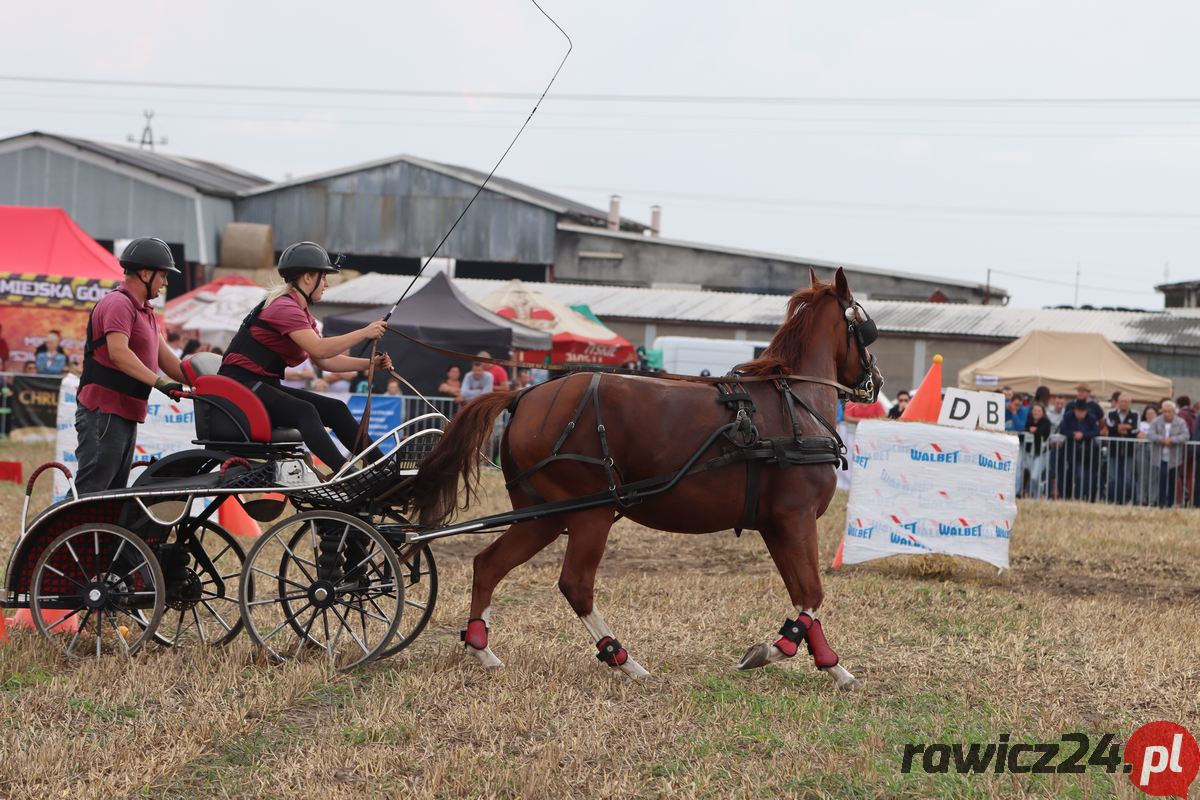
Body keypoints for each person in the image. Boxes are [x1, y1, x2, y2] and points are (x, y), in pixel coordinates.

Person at [219, 241, 390, 473]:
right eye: (324, 276)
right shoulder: (285, 308)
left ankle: (385, 469)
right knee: (305, 411)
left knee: (336, 408)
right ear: (308, 277)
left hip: (259, 385)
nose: (327, 283)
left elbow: (325, 361)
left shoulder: (300, 312)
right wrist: (364, 332)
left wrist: (371, 364)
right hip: (240, 387)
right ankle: (345, 473)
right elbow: (320, 349)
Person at [74, 237, 187, 493]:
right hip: (104, 412)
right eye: (163, 276)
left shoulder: (145, 312)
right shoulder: (118, 304)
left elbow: (171, 363)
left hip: (123, 413)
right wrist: (160, 383)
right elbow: (119, 353)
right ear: (146, 273)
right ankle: (53, 535)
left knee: (110, 495)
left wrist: (209, 381)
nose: (166, 282)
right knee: (90, 491)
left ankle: (98, 535)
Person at [1148, 400, 1189, 507]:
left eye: (1169, 411)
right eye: (1164, 411)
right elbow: (1150, 434)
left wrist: (1172, 440)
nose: (1166, 414)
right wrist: (1162, 440)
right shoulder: (1156, 421)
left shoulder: (1180, 422)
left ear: (1173, 411)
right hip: (1159, 457)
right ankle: (1161, 503)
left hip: (1174, 458)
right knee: (1161, 479)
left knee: (1172, 482)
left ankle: (1170, 504)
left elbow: (1185, 435)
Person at [1058, 399, 1099, 501]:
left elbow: (1095, 431)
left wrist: (1083, 435)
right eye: (1078, 410)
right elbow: (1063, 429)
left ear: (1086, 411)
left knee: (1083, 476)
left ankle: (1081, 497)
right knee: (1070, 475)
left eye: (1082, 411)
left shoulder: (1091, 418)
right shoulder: (1068, 416)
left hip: (1088, 453)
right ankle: (1067, 497)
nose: (1080, 413)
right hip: (1070, 452)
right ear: (1074, 410)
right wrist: (1073, 434)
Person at [1105, 393, 1139, 504]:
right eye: (1122, 401)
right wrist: (1124, 428)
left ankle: (1125, 500)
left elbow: (1135, 429)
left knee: (1128, 478)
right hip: (1113, 449)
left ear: (1130, 403)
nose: (1124, 404)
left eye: (1126, 402)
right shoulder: (1110, 413)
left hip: (1129, 451)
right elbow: (1110, 427)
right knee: (1112, 477)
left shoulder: (1135, 414)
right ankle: (1111, 500)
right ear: (1118, 402)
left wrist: (1121, 428)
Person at [1022, 403, 1052, 499]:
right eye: (1035, 410)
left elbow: (1043, 431)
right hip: (1029, 453)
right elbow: (1025, 431)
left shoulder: (1046, 422)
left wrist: (1036, 430)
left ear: (1043, 413)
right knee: (1033, 477)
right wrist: (1031, 430)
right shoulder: (1028, 421)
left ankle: (1038, 496)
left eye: (1039, 411)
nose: (1036, 412)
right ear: (1031, 412)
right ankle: (1036, 497)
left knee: (1035, 477)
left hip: (1041, 454)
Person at [1136, 405, 1158, 505]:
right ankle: (1141, 498)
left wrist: (1148, 436)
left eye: (1152, 413)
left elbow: (1159, 437)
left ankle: (1152, 500)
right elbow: (1139, 435)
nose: (1150, 415)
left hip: (1156, 450)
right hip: (1142, 449)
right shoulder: (1141, 424)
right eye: (1148, 413)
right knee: (1142, 475)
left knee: (1154, 476)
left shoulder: (1160, 424)